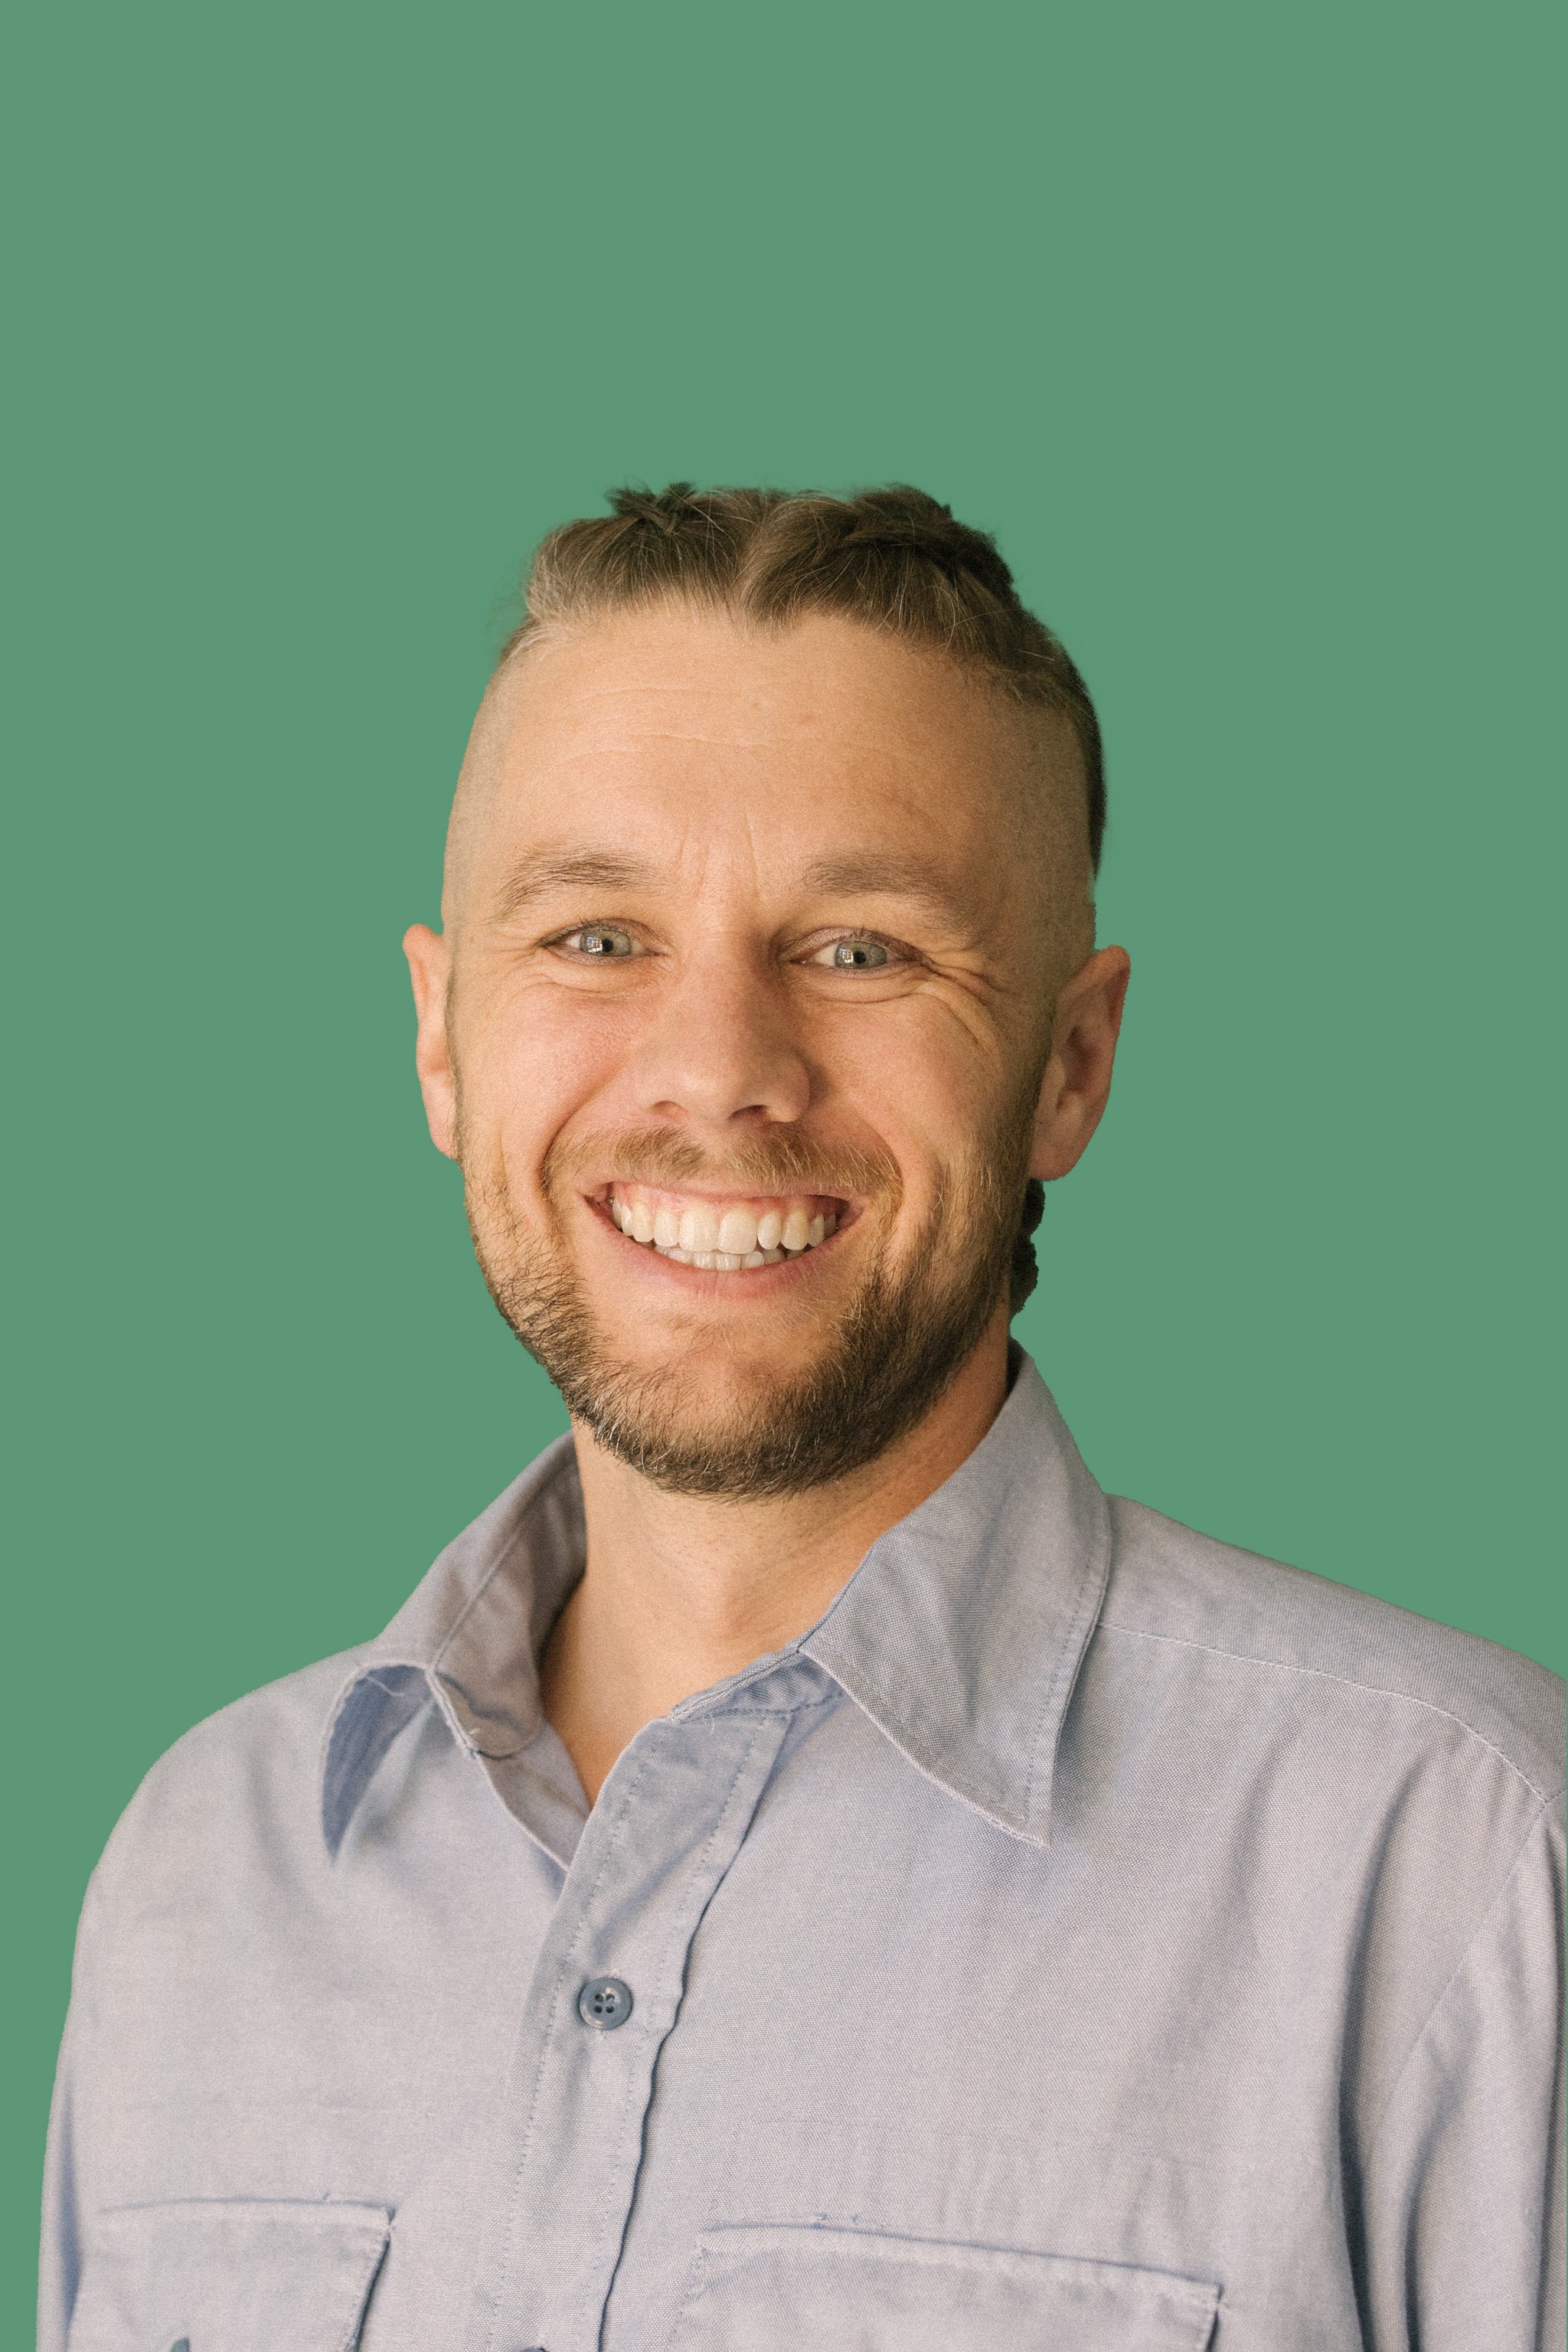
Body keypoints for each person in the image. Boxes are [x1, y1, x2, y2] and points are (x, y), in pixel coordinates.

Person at [42, 485, 1563, 2352]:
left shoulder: (1457, 1867)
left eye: (857, 950)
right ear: (442, 1038)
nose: (716, 1074)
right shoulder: (205, 1871)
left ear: (1069, 1066)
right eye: (596, 937)